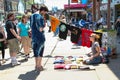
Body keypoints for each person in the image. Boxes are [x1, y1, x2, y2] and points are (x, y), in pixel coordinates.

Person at [30, 6, 48, 71]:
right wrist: (44, 24)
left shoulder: (32, 15)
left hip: (33, 36)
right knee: (40, 52)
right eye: (45, 12)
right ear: (42, 10)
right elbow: (40, 29)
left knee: (35, 51)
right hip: (39, 36)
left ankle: (36, 65)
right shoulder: (40, 17)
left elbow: (31, 26)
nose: (45, 13)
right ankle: (39, 66)